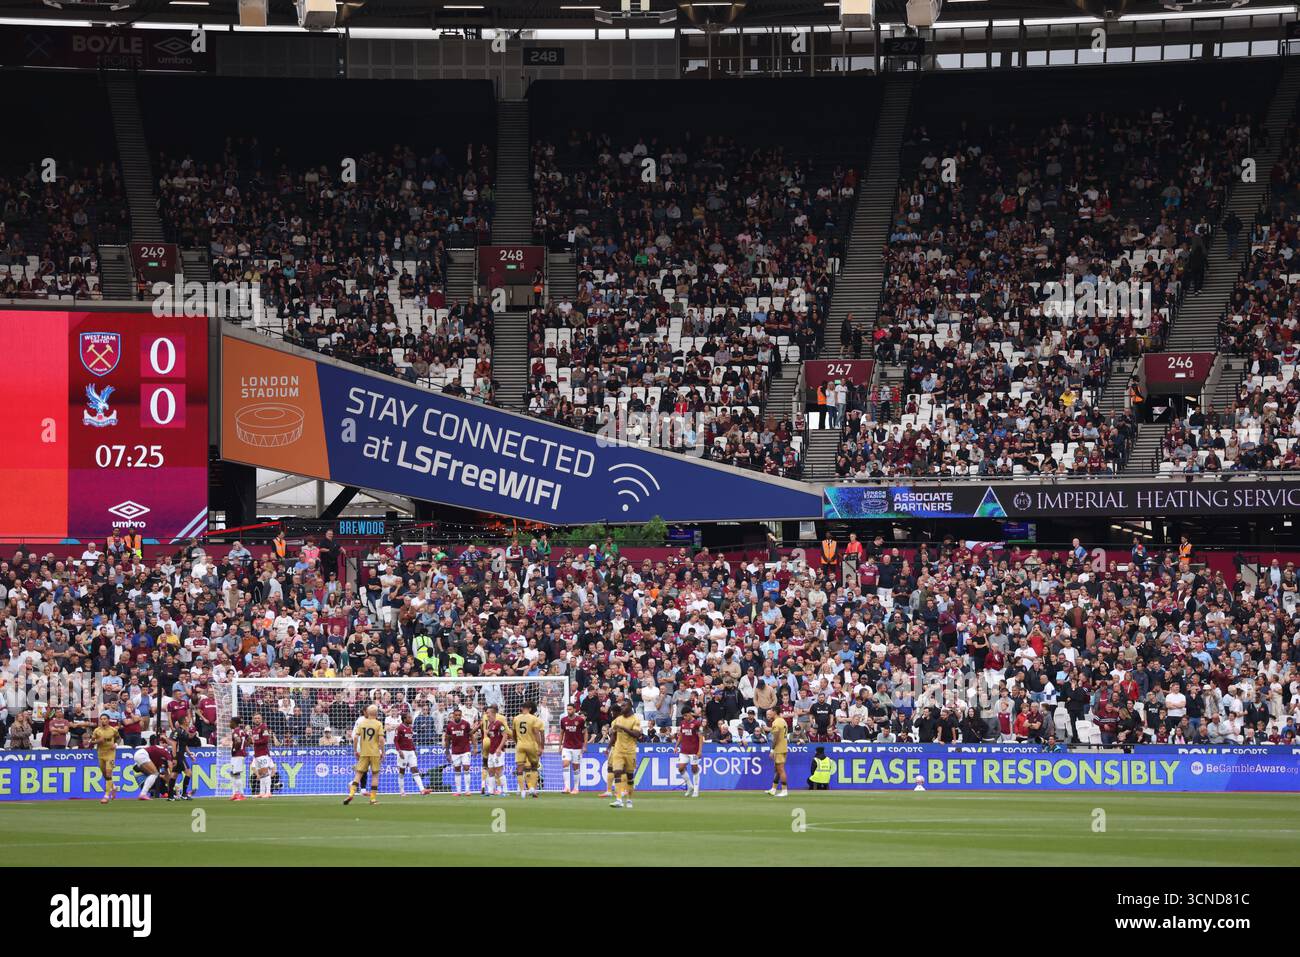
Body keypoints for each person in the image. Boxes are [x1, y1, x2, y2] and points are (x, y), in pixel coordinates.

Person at [345, 704, 383, 806]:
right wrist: (382, 751)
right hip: (374, 752)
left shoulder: (362, 723)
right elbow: (381, 740)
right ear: (376, 713)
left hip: (363, 752)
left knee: (358, 773)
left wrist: (355, 751)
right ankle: (373, 799)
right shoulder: (378, 724)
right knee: (375, 775)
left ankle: (351, 793)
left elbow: (356, 738)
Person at [607, 700, 642, 809]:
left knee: (630, 777)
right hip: (618, 750)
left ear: (630, 706)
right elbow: (614, 734)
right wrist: (608, 746)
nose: (622, 707)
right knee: (617, 772)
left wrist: (624, 728)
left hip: (630, 751)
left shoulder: (635, 720)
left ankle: (629, 800)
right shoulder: (618, 719)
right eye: (621, 705)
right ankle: (618, 800)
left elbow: (636, 734)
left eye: (624, 705)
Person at [512, 701, 545, 799]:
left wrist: (517, 742)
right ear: (531, 709)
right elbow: (538, 734)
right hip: (531, 745)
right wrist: (540, 747)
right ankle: (532, 789)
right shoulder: (535, 719)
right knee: (534, 767)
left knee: (520, 768)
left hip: (520, 745)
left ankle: (522, 791)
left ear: (522, 708)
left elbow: (513, 733)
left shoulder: (516, 718)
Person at [394, 710, 430, 796]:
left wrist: (414, 750)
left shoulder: (410, 728)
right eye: (409, 717)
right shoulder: (399, 728)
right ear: (404, 719)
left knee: (415, 770)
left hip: (411, 752)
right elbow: (395, 741)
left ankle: (422, 789)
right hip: (403, 752)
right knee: (402, 771)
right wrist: (399, 751)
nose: (411, 719)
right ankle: (402, 791)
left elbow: (410, 740)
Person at [88, 713, 122, 804]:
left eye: (105, 719)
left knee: (108, 774)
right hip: (101, 754)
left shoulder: (113, 730)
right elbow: (90, 744)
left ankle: (106, 796)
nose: (103, 720)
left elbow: (118, 738)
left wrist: (116, 744)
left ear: (108, 720)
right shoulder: (97, 731)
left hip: (111, 754)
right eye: (101, 719)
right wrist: (97, 741)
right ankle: (113, 787)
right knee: (104, 774)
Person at [443, 706, 474, 796]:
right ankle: (458, 791)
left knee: (466, 768)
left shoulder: (466, 724)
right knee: (457, 770)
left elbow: (471, 735)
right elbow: (447, 739)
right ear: (453, 716)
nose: (457, 716)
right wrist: (447, 752)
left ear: (461, 715)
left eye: (459, 715)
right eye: (456, 715)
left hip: (465, 750)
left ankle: (467, 790)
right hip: (455, 751)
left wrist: (475, 747)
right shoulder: (450, 726)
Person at [480, 704, 509, 797]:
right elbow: (491, 737)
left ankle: (505, 791)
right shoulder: (490, 725)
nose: (486, 714)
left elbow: (505, 735)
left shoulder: (499, 723)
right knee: (491, 771)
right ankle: (491, 791)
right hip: (491, 752)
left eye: (487, 713)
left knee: (499, 771)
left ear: (492, 713)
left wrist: (499, 748)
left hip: (498, 751)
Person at [558, 702, 587, 795]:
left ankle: (575, 788)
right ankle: (566, 787)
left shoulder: (580, 720)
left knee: (575, 768)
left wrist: (585, 745)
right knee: (565, 764)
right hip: (566, 746)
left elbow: (585, 732)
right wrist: (560, 746)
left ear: (574, 710)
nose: (568, 711)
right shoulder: (563, 720)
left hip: (577, 747)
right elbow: (562, 733)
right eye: (567, 709)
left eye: (570, 709)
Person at [676, 705, 703, 797]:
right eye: (683, 716)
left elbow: (700, 737)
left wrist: (699, 751)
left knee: (694, 769)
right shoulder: (682, 723)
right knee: (680, 768)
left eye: (686, 715)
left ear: (690, 714)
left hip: (694, 751)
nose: (684, 717)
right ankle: (690, 786)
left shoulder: (697, 723)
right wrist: (676, 746)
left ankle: (696, 790)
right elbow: (681, 736)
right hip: (684, 750)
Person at [248, 712, 277, 799]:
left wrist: (254, 742)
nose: (257, 719)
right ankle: (261, 792)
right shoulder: (253, 730)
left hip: (263, 753)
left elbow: (265, 740)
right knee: (261, 774)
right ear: (253, 719)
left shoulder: (264, 727)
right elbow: (253, 741)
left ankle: (268, 792)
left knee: (265, 773)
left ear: (261, 719)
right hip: (257, 754)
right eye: (255, 718)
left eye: (258, 718)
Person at [766, 706, 789, 797]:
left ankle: (784, 790)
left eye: (771, 711)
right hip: (784, 747)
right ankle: (773, 789)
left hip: (779, 749)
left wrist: (772, 750)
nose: (769, 713)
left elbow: (775, 738)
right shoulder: (783, 720)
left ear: (775, 712)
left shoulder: (776, 722)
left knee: (781, 769)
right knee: (777, 769)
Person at [228, 716, 249, 802]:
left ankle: (241, 794)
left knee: (236, 774)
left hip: (237, 755)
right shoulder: (242, 731)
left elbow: (238, 741)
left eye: (230, 722)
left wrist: (235, 749)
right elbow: (249, 739)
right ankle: (236, 794)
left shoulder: (236, 731)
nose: (229, 724)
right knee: (234, 774)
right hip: (240, 754)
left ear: (234, 723)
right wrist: (243, 747)